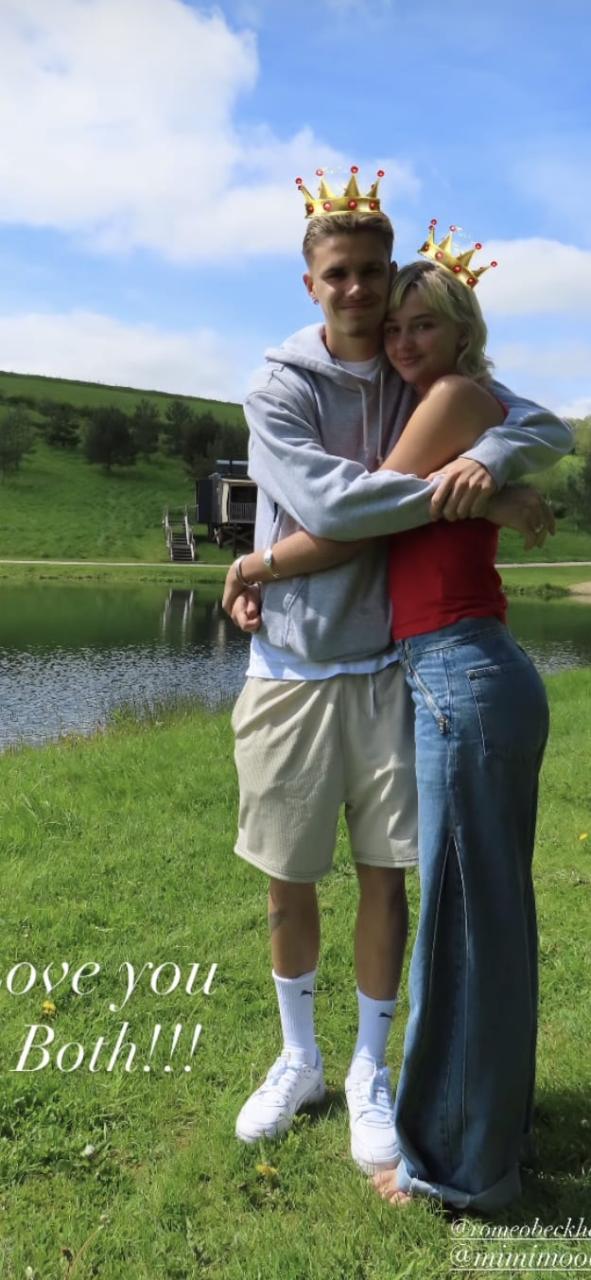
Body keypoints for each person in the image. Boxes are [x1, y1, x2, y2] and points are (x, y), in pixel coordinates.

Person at [226, 173, 571, 1178]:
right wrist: (477, 499)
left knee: (389, 876)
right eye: (341, 274)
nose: (363, 294)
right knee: (291, 881)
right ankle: (300, 1058)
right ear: (310, 281)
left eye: (376, 274)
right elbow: (336, 512)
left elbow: (538, 422)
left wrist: (496, 459)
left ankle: (371, 1072)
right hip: (291, 664)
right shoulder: (276, 385)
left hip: (391, 665)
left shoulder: (415, 372)